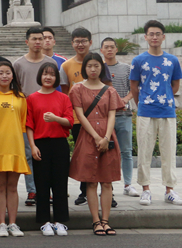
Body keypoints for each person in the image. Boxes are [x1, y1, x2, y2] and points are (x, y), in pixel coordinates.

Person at [130, 20, 182, 206]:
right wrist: (142, 104)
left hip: (167, 111)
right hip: (146, 112)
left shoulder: (172, 60)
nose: (154, 37)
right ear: (145, 37)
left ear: (163, 37)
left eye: (158, 34)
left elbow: (175, 85)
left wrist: (165, 97)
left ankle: (170, 190)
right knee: (144, 151)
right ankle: (145, 189)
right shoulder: (138, 61)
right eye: (151, 34)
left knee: (169, 152)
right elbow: (134, 87)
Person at [69, 53, 122, 236]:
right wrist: (96, 137)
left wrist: (106, 138)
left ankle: (106, 221)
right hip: (87, 137)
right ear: (84, 68)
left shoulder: (110, 90)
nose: (93, 69)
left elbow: (112, 115)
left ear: (102, 68)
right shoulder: (77, 89)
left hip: (108, 137)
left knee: (107, 182)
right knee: (90, 182)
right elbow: (80, 115)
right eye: (89, 66)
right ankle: (96, 221)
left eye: (96, 66)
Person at [59, 27, 109, 206]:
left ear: (90, 42)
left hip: (100, 118)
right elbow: (65, 94)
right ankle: (84, 191)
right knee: (84, 155)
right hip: (78, 119)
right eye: (77, 41)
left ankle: (107, 192)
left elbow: (107, 89)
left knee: (103, 155)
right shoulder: (66, 66)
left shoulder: (100, 63)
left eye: (84, 41)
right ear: (72, 43)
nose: (80, 44)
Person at [0, 60, 30, 238]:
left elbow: (23, 124)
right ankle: (1, 223)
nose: (4, 76)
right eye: (1, 72)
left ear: (13, 76)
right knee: (0, 186)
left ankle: (13, 223)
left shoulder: (20, 97)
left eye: (8, 73)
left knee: (13, 187)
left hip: (15, 146)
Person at [26, 63, 73, 237]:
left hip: (59, 144)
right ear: (40, 76)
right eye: (45, 74)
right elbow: (29, 125)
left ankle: (60, 221)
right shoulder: (32, 98)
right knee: (42, 184)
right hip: (40, 144)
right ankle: (44, 221)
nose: (48, 77)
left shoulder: (63, 98)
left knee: (60, 184)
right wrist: (32, 146)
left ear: (56, 78)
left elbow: (69, 121)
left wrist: (55, 118)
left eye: (52, 74)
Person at [12, 26, 55, 206]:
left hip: (47, 116)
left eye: (40, 38)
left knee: (46, 153)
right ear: (27, 41)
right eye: (34, 39)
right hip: (26, 114)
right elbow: (15, 89)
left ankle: (47, 190)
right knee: (29, 153)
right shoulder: (18, 64)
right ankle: (32, 190)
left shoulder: (51, 63)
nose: (38, 42)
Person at [101, 37, 139, 198]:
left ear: (117, 49)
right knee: (105, 151)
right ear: (101, 50)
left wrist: (125, 99)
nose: (109, 49)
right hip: (104, 117)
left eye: (112, 47)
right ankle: (106, 185)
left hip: (124, 115)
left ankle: (128, 184)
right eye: (106, 47)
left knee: (126, 151)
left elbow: (134, 88)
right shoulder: (99, 68)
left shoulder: (126, 68)